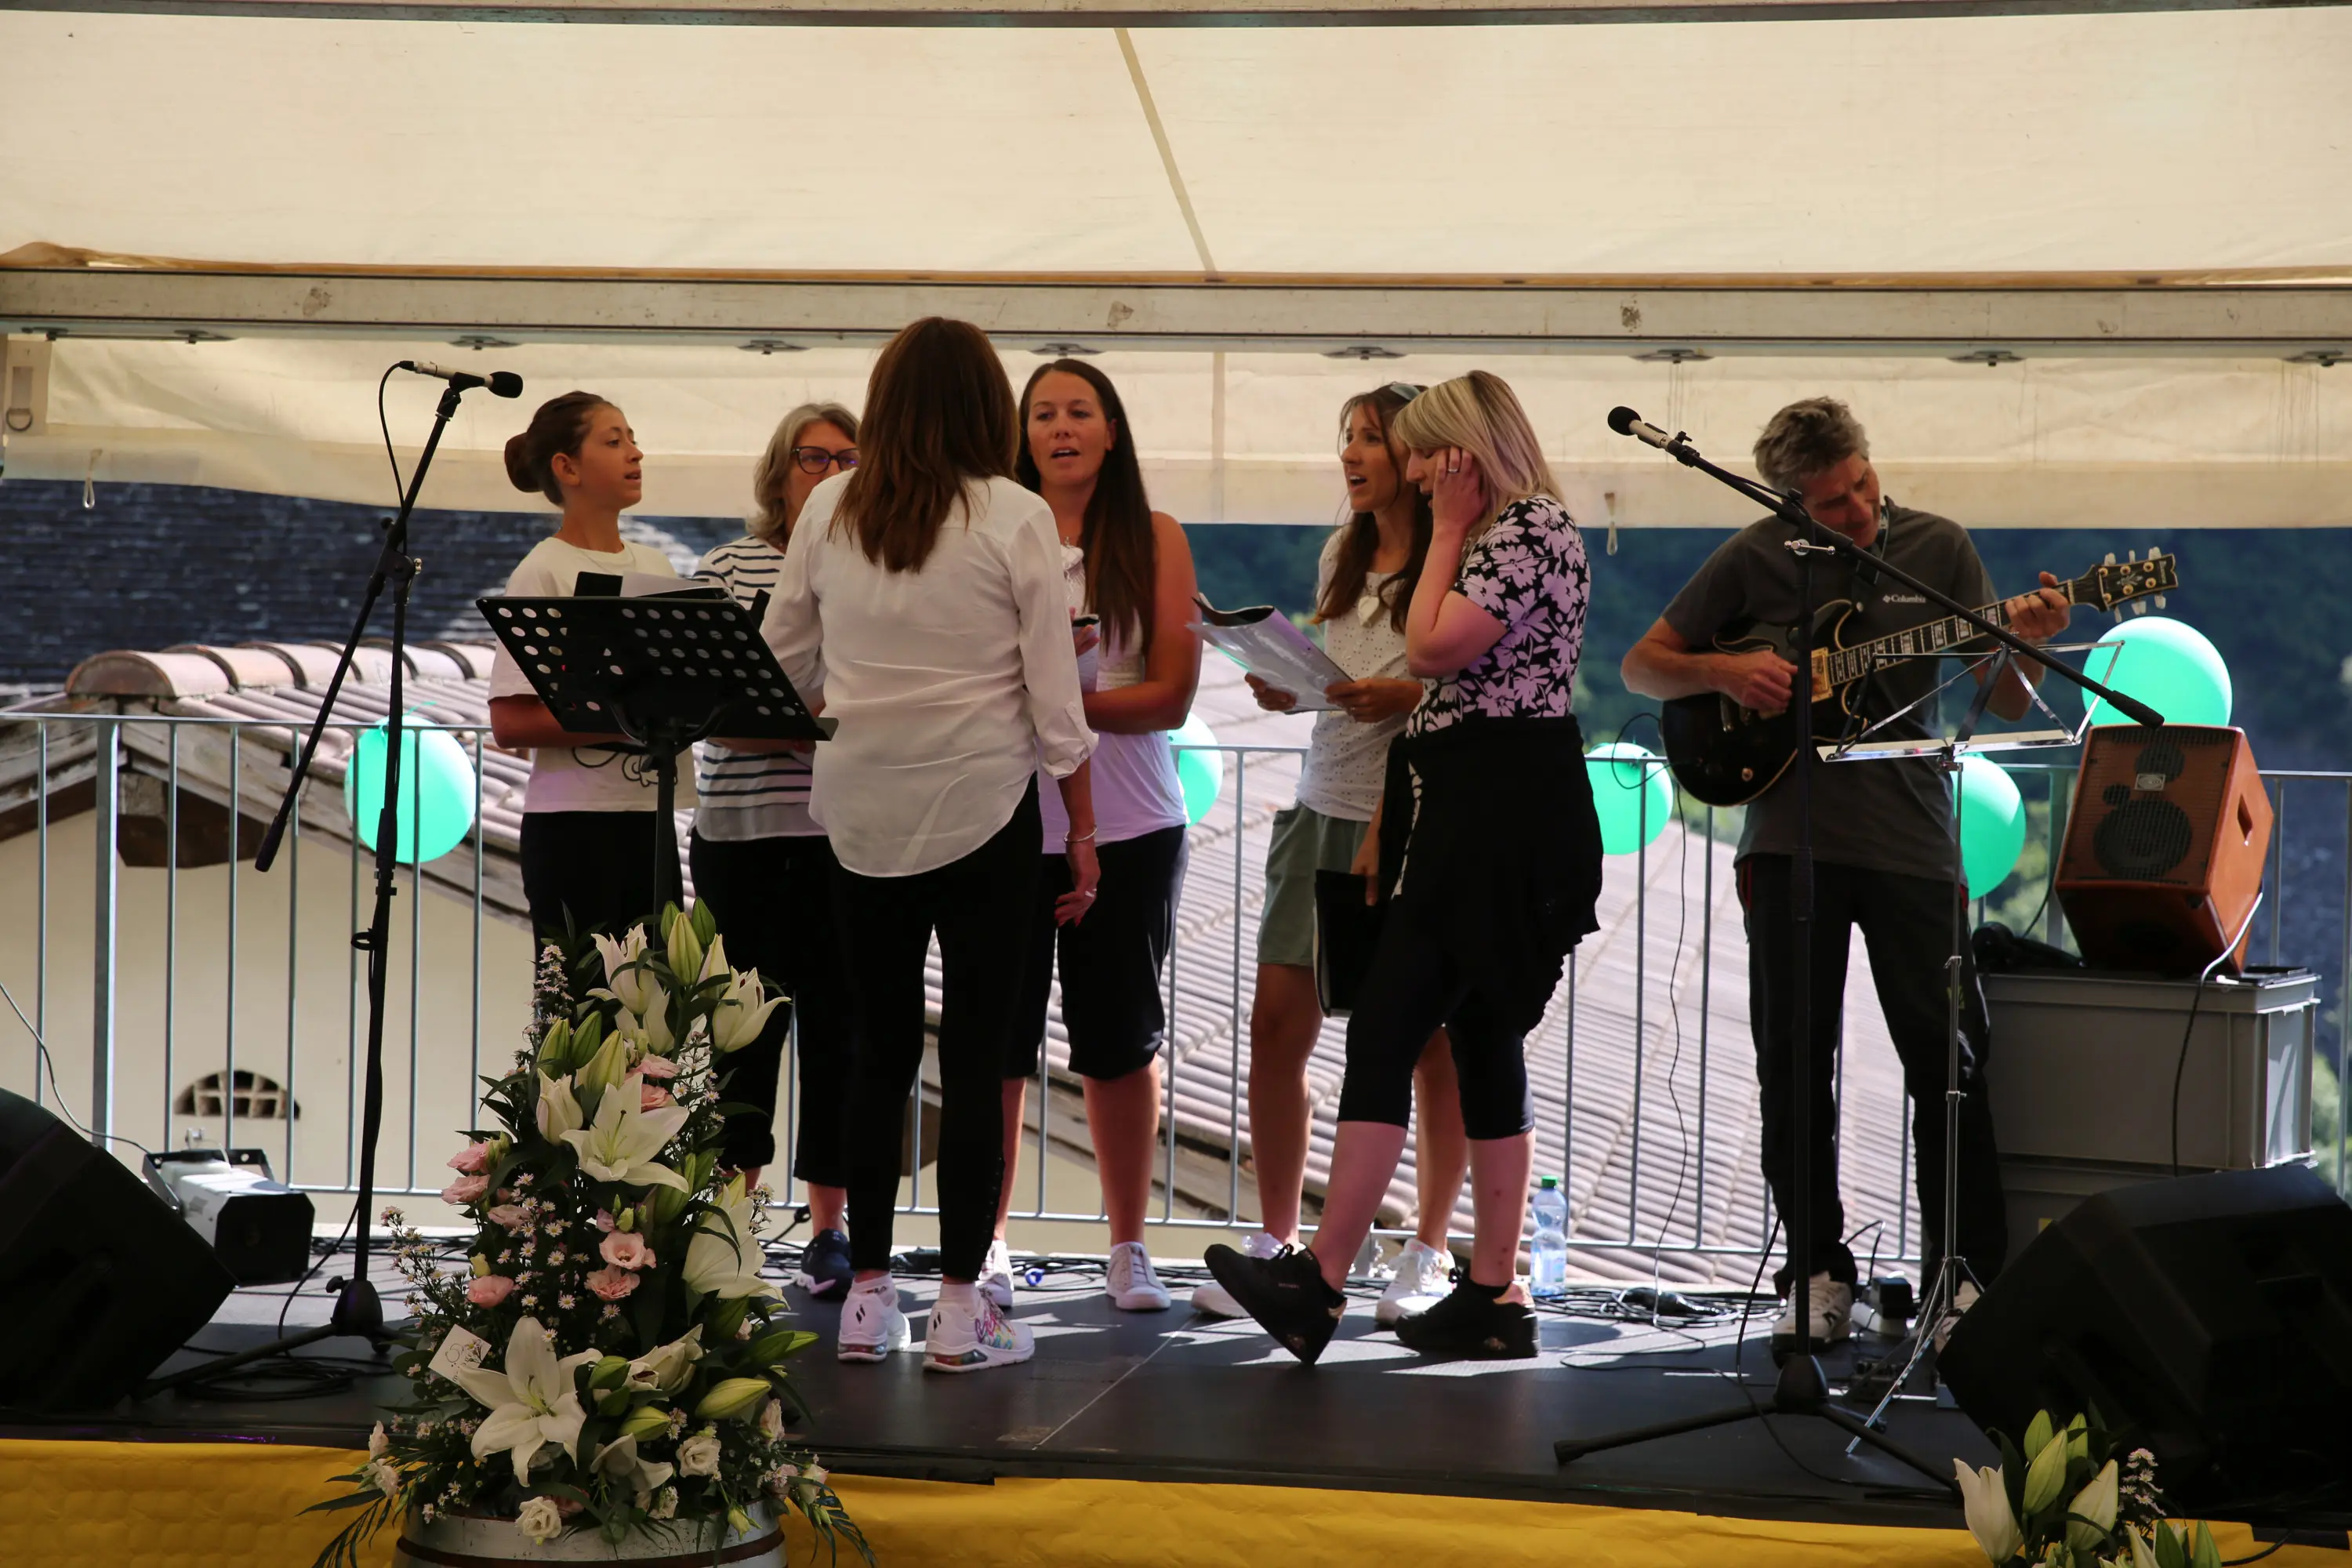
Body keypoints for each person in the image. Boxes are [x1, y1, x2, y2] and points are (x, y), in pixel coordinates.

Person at [1619, 396, 2071, 1349]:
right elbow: (1642, 665)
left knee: (1948, 1061)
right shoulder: (1753, 557)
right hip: (1791, 843)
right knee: (1793, 1062)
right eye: (1831, 502)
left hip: (1913, 841)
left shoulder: (1939, 547)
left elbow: (1999, 692)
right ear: (1791, 503)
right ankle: (1816, 1272)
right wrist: (1726, 673)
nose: (1858, 509)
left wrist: (2029, 639)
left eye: (1863, 483)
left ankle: (1962, 1279)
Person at [1205, 371, 1602, 1363]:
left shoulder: (1525, 529)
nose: (1418, 472)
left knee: (1391, 1027)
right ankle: (1491, 1292)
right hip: (1471, 801)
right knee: (1481, 1037)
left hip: (1499, 812)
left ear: (1468, 448)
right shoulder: (1511, 531)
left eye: (1426, 452)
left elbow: (1429, 649)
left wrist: (1452, 528)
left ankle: (1323, 1280)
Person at [761, 318, 1099, 1375]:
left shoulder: (828, 506)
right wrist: (1086, 831)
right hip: (985, 807)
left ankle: (866, 1299)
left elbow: (781, 659)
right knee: (979, 1057)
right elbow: (1055, 695)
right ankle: (961, 1310)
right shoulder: (1014, 513)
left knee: (875, 1053)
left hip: (859, 813)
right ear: (987, 405)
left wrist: (859, 715)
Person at [1188, 383, 1469, 1328]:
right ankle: (1278, 1240)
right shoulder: (1339, 553)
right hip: (1321, 809)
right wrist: (1293, 687)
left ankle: (1429, 1249)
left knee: (1430, 1044)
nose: (1351, 453)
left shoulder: (1456, 558)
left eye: (1370, 438)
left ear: (1416, 455)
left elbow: (1475, 688)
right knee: (1277, 1027)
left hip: (1415, 821)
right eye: (1345, 436)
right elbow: (1342, 682)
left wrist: (1407, 699)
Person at [990, 358, 1201, 1314]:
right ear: (1022, 434)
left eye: (1080, 411)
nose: (1061, 427)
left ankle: (1128, 1245)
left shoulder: (1154, 536)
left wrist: (1055, 702)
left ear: (1112, 430)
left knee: (1118, 1041)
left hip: (1131, 825)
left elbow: (1171, 695)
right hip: (1004, 823)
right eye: (1043, 413)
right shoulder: (993, 530)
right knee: (999, 1040)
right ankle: (985, 1238)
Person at [688, 402, 862, 1297]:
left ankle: (831, 1232)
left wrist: (790, 717)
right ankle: (731, 1229)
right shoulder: (727, 567)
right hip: (741, 838)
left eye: (848, 458)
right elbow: (708, 702)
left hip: (845, 838)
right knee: (739, 1044)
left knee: (840, 1038)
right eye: (812, 457)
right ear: (779, 470)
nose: (829, 472)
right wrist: (807, 722)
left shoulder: (879, 566)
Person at [487, 392, 693, 945]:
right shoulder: (543, 571)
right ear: (568, 467)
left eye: (632, 439)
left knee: (655, 990)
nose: (636, 453)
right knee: (577, 993)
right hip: (573, 825)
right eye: (614, 441)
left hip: (651, 817)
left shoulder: (655, 565)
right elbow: (510, 722)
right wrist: (631, 716)